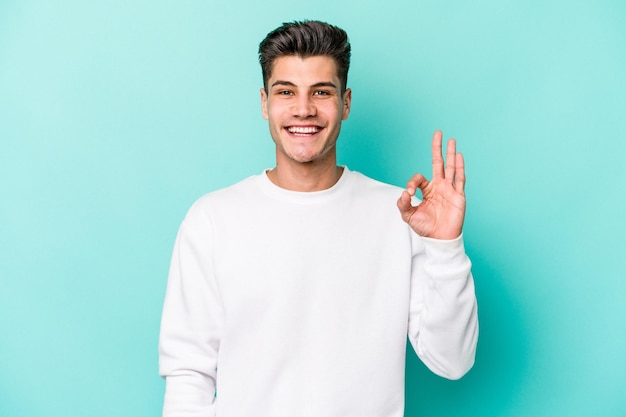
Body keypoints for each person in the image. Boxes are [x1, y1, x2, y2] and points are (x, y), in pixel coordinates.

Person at [159, 20, 478, 417]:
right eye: (286, 92)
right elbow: (188, 375)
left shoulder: (398, 215)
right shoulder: (213, 219)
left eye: (321, 92)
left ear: (345, 103)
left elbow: (452, 361)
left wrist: (446, 247)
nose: (303, 109)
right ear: (264, 103)